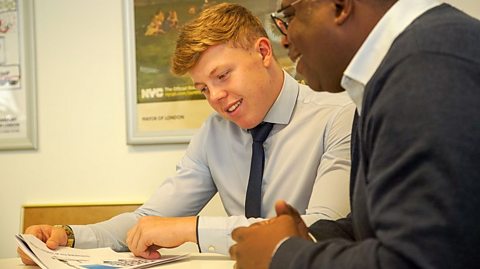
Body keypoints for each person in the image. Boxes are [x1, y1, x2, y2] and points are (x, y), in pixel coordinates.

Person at [18, 3, 356, 265]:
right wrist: (69, 235)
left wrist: (193, 230)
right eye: (203, 89)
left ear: (264, 52)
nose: (216, 98)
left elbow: (321, 228)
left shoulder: (338, 115)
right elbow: (146, 221)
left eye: (222, 75)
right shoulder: (214, 133)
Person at [229, 0, 480, 268]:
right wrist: (309, 236)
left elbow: (423, 259)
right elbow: (380, 222)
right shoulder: (399, 68)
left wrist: (283, 255)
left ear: (339, 6)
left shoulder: (426, 68)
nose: (284, 39)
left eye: (289, 17)